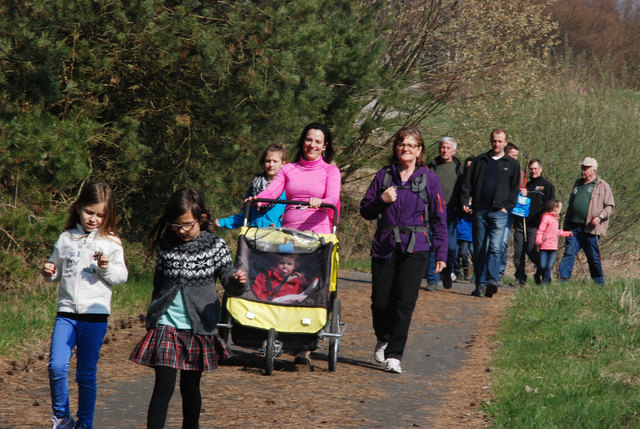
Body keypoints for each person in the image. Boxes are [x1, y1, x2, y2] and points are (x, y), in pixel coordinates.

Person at [129, 188, 247, 429]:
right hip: (166, 325)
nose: (181, 231)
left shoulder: (215, 245)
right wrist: (153, 317)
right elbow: (159, 285)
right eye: (176, 225)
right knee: (163, 387)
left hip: (198, 327)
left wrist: (235, 280)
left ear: (201, 219)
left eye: (186, 225)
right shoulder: (166, 245)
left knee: (190, 388)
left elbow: (226, 276)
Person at [360, 126, 448, 374]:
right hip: (385, 246)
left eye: (411, 145)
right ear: (395, 148)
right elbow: (366, 210)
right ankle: (384, 336)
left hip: (416, 248)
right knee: (380, 302)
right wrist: (381, 201)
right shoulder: (383, 176)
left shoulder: (430, 179)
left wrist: (441, 253)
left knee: (404, 303)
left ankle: (395, 355)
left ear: (419, 150)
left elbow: (439, 219)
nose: (405, 148)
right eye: (401, 144)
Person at [42, 182, 128, 429]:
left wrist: (105, 268)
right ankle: (62, 418)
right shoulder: (66, 238)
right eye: (89, 212)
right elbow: (55, 270)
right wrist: (49, 271)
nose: (94, 219)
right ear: (79, 207)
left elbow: (121, 277)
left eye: (101, 215)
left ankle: (85, 424)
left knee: (85, 374)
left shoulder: (111, 242)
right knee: (56, 365)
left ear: (108, 215)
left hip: (95, 317)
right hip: (66, 314)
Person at [254, 122, 341, 364]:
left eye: (318, 141)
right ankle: (275, 333)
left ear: (325, 147)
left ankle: (305, 346)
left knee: (310, 286)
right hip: (289, 237)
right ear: (302, 142)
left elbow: (333, 197)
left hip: (317, 237)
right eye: (308, 140)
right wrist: (258, 199)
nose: (312, 145)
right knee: (281, 281)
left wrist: (321, 201)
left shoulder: (330, 172)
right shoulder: (288, 169)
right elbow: (272, 191)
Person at [460, 128, 520, 298]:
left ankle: (492, 281)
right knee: (478, 249)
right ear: (490, 141)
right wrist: (466, 201)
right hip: (479, 210)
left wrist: (507, 207)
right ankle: (479, 284)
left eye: (500, 141)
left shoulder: (512, 164)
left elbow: (515, 188)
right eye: (494, 140)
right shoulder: (480, 161)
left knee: (495, 248)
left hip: (499, 213)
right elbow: (467, 183)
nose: (496, 144)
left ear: (505, 142)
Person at [558, 157, 614, 284]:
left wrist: (600, 218)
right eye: (582, 167)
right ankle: (562, 280)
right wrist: (566, 224)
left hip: (590, 228)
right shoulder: (577, 183)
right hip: (574, 227)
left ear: (593, 170)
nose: (582, 170)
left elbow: (610, 207)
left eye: (586, 168)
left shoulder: (602, 186)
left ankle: (599, 282)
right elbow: (571, 203)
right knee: (569, 253)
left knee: (593, 256)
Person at [424, 136, 464, 290]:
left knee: (452, 247)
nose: (444, 150)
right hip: (433, 211)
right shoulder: (431, 167)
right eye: (442, 147)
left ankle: (447, 271)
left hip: (451, 212)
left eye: (448, 148)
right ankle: (432, 280)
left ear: (454, 150)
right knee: (434, 244)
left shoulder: (459, 168)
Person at [215, 144, 287, 228]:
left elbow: (291, 214)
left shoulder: (287, 187)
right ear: (263, 162)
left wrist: (280, 225)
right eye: (268, 161)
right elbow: (246, 215)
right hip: (254, 234)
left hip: (277, 235)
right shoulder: (254, 185)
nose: (271, 164)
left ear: (283, 164)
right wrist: (224, 222)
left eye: (275, 161)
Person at [511, 159, 555, 286]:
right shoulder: (526, 185)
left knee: (531, 251)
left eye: (535, 168)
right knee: (518, 253)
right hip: (521, 224)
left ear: (541, 169)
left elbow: (550, 205)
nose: (533, 171)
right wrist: (522, 194)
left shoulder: (547, 186)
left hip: (536, 225)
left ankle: (543, 272)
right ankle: (520, 278)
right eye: (531, 169)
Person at [498, 142, 520, 284]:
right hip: (496, 209)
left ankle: (499, 273)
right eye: (513, 156)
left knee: (503, 243)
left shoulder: (517, 170)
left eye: (517, 156)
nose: (515, 159)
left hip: (508, 212)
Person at [251, 254, 317, 302]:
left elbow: (303, 296)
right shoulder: (265, 275)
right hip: (263, 306)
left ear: (295, 266)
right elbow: (256, 291)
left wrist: (305, 283)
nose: (285, 266)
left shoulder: (298, 281)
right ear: (277, 263)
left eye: (289, 264)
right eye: (282, 263)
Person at [535, 200, 573, 283]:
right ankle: (539, 276)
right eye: (560, 208)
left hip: (553, 247)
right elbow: (541, 229)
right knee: (542, 265)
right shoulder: (546, 217)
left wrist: (567, 233)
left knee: (549, 266)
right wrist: (539, 240)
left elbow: (557, 231)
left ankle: (545, 282)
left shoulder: (555, 220)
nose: (560, 210)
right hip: (544, 246)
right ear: (555, 208)